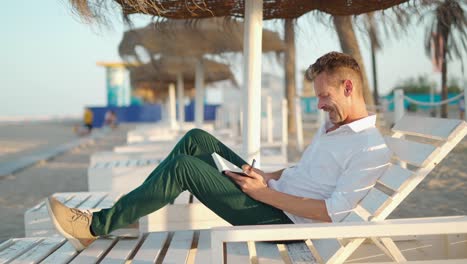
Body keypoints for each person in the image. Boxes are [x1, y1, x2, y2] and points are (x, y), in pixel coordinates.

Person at [47, 52, 391, 251]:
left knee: (183, 166)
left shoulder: (369, 147)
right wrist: (263, 177)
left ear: (347, 87)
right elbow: (303, 173)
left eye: (323, 96)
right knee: (197, 138)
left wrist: (264, 194)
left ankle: (93, 227)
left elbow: (331, 213)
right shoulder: (333, 126)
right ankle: (130, 212)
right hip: (271, 196)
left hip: (284, 223)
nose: (318, 105)